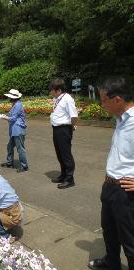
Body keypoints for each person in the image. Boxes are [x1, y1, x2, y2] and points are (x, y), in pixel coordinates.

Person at [88, 77, 134, 270]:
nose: (101, 104)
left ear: (117, 100)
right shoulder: (120, 119)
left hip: (125, 190)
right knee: (109, 232)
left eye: (104, 100)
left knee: (129, 239)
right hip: (110, 186)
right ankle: (111, 263)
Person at [49, 78, 78, 189]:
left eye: (52, 90)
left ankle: (69, 179)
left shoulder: (67, 99)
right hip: (56, 129)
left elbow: (74, 116)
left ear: (59, 90)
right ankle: (63, 175)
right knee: (59, 153)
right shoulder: (56, 99)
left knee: (66, 155)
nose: (50, 92)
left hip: (64, 129)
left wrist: (72, 127)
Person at [0, 89, 29, 173]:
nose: (8, 98)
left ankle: (24, 166)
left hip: (18, 130)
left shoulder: (18, 105)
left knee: (20, 149)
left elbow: (13, 118)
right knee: (10, 146)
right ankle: (10, 162)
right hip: (15, 130)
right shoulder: (15, 104)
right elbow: (12, 116)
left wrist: (3, 117)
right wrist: (5, 116)